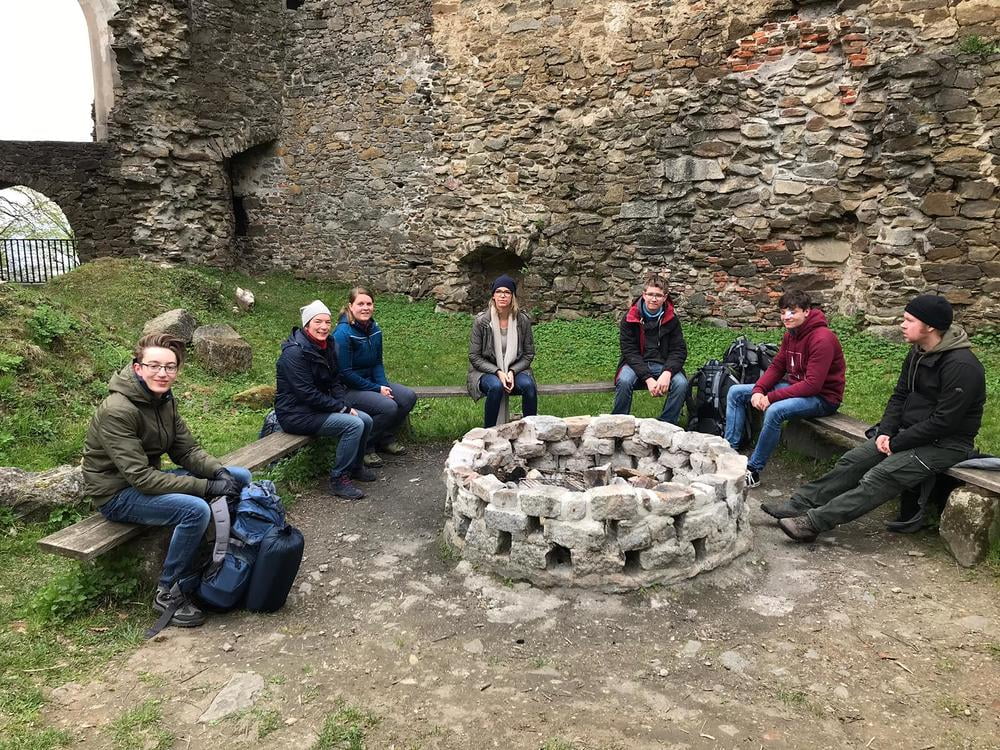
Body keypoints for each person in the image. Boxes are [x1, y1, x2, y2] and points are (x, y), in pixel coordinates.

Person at [767, 294, 986, 543]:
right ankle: (800, 504)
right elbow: (900, 395)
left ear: (930, 326)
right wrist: (886, 431)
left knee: (881, 476)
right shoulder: (918, 353)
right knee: (852, 461)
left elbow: (944, 422)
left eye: (909, 320)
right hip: (906, 433)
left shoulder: (962, 367)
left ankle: (812, 523)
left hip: (946, 444)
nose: (902, 325)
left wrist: (897, 442)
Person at [82, 333, 251, 629]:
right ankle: (168, 590)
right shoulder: (118, 410)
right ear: (138, 368)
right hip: (117, 494)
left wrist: (218, 472)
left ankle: (225, 555)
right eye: (154, 366)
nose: (162, 373)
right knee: (194, 510)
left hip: (145, 482)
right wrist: (206, 487)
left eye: (170, 367)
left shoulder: (163, 400)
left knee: (240, 475)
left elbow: (186, 450)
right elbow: (141, 478)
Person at [724, 290, 846, 488]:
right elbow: (777, 366)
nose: (786, 317)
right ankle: (728, 452)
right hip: (796, 387)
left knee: (775, 410)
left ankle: (753, 471)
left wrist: (771, 397)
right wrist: (759, 389)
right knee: (736, 392)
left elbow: (812, 385)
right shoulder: (791, 335)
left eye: (792, 312)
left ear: (806, 311)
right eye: (782, 313)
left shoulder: (822, 339)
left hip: (823, 397)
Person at [275, 300, 375, 501]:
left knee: (366, 420)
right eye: (318, 322)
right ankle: (339, 478)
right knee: (354, 424)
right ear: (307, 325)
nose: (324, 327)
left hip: (318, 409)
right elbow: (306, 393)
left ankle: (355, 467)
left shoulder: (328, 345)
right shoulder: (294, 353)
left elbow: (335, 380)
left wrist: (343, 404)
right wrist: (341, 409)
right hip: (296, 414)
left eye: (327, 322)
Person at [334, 287, 417, 468]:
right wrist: (377, 390)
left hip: (370, 383)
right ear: (350, 306)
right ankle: (365, 446)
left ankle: (384, 438)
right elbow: (345, 373)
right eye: (360, 304)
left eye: (369, 303)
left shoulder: (374, 329)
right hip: (348, 389)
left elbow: (377, 363)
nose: (365, 308)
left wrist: (383, 386)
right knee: (388, 406)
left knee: (407, 397)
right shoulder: (342, 333)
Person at [612, 273, 689, 425]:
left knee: (681, 384)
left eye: (658, 295)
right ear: (644, 294)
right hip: (635, 363)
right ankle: (618, 423)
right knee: (624, 381)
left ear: (665, 297)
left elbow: (679, 350)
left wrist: (667, 372)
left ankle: (666, 424)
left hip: (662, 363)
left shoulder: (672, 319)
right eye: (650, 294)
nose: (654, 299)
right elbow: (629, 351)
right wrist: (648, 378)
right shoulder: (630, 317)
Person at [467, 274, 538, 428]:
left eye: (507, 292)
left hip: (515, 369)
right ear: (493, 296)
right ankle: (489, 432)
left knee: (529, 386)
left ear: (512, 297)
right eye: (499, 291)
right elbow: (474, 356)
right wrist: (498, 372)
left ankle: (531, 430)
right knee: (496, 386)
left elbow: (528, 354)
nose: (503, 295)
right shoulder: (481, 322)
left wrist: (512, 371)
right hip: (485, 371)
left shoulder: (522, 321)